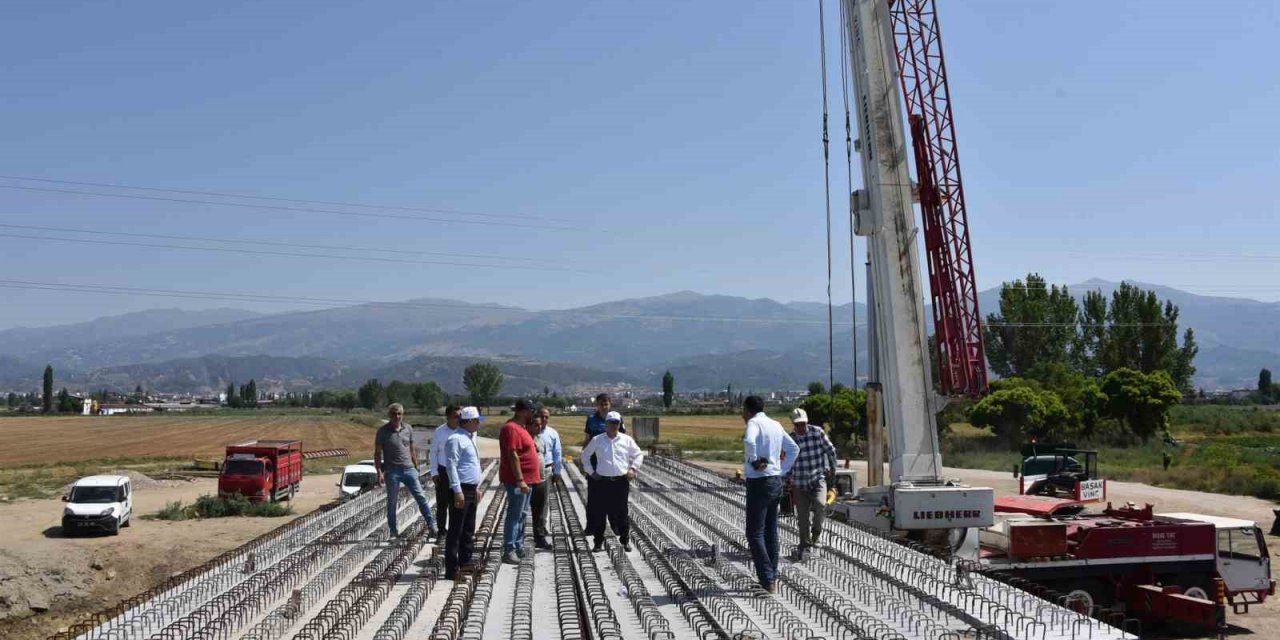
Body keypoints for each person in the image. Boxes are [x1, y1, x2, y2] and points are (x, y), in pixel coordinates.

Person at [741, 395, 798, 593]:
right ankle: (772, 575)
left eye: (743, 411)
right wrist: (781, 470)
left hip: (759, 482)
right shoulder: (775, 424)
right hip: (775, 481)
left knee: (754, 533)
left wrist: (753, 460)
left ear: (748, 410)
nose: (742, 415)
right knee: (770, 531)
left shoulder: (753, 423)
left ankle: (767, 579)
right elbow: (794, 449)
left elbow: (749, 440)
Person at [581, 410, 644, 553]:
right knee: (600, 514)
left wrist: (633, 469)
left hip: (620, 482)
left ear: (619, 424)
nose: (614, 425)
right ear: (606, 424)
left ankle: (625, 540)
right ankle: (598, 543)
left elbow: (638, 454)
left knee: (622, 513)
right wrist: (591, 472)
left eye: (616, 423)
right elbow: (585, 455)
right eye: (611, 423)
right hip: (602, 482)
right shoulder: (597, 440)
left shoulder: (626, 440)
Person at [373, 403, 437, 539]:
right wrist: (379, 472)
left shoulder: (408, 428)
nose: (397, 416)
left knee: (421, 497)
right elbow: (377, 453)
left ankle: (432, 525)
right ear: (389, 415)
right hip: (392, 471)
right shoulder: (382, 432)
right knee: (392, 502)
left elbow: (412, 448)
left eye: (399, 414)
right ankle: (393, 531)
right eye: (394, 414)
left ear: (402, 414)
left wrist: (416, 466)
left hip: (409, 469)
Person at [786, 408, 837, 561]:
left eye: (803, 424)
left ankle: (816, 533)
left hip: (817, 478)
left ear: (806, 422)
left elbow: (831, 450)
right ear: (793, 424)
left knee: (821, 504)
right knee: (802, 517)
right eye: (797, 424)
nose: (800, 427)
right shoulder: (790, 439)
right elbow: (786, 461)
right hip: (799, 483)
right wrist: (786, 480)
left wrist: (832, 469)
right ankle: (805, 544)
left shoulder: (817, 433)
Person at [444, 406, 484, 579]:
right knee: (456, 530)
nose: (478, 424)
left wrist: (477, 487)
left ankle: (465, 562)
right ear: (468, 421)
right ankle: (452, 569)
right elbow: (451, 466)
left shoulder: (469, 438)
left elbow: (472, 465)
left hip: (471, 489)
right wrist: (457, 490)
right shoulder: (455, 439)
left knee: (468, 529)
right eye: (476, 421)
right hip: (461, 489)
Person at [500, 399, 541, 564]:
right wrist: (520, 480)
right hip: (518, 481)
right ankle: (509, 549)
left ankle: (518, 545)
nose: (533, 414)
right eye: (531, 411)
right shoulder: (511, 428)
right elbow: (513, 455)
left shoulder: (521, 428)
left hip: (527, 479)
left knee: (522, 514)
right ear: (523, 411)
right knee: (515, 514)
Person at [529, 407, 563, 549]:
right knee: (527, 505)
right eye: (541, 416)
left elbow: (557, 453)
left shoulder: (552, 433)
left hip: (546, 470)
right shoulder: (528, 434)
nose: (543, 420)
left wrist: (557, 471)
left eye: (546, 417)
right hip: (529, 474)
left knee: (542, 503)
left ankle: (541, 529)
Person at [430, 405, 462, 540]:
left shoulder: (463, 431)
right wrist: (434, 472)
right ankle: (442, 531)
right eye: (456, 416)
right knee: (442, 504)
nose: (458, 419)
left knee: (457, 503)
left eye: (460, 416)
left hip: (459, 472)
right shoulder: (439, 432)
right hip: (443, 471)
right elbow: (433, 452)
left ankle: (455, 532)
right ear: (448, 417)